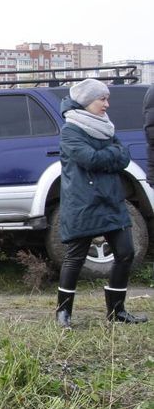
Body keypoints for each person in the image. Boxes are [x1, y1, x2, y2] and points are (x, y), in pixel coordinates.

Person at [55, 79, 147, 327]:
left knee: (126, 253)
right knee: (74, 258)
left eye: (107, 99)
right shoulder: (70, 130)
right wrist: (112, 156)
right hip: (83, 202)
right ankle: (63, 313)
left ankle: (116, 311)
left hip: (111, 200)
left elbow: (124, 157)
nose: (107, 104)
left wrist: (110, 156)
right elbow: (90, 159)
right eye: (102, 99)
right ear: (87, 101)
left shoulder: (106, 127)